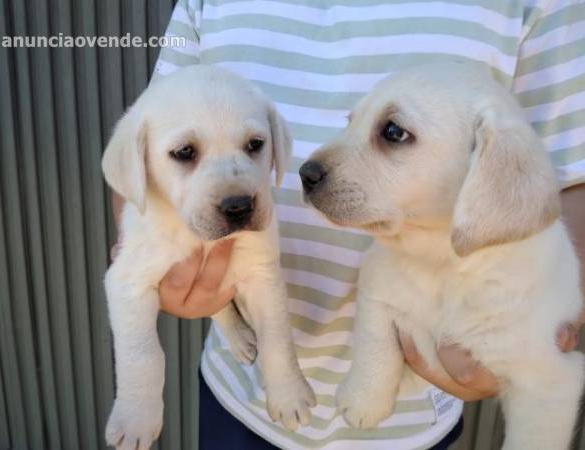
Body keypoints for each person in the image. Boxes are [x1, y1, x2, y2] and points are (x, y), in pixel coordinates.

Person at [113, 1, 585, 448]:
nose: (308, 168)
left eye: (394, 133)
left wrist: (537, 321)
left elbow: (570, 176)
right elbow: (143, 140)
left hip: (417, 412)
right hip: (242, 392)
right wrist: (155, 260)